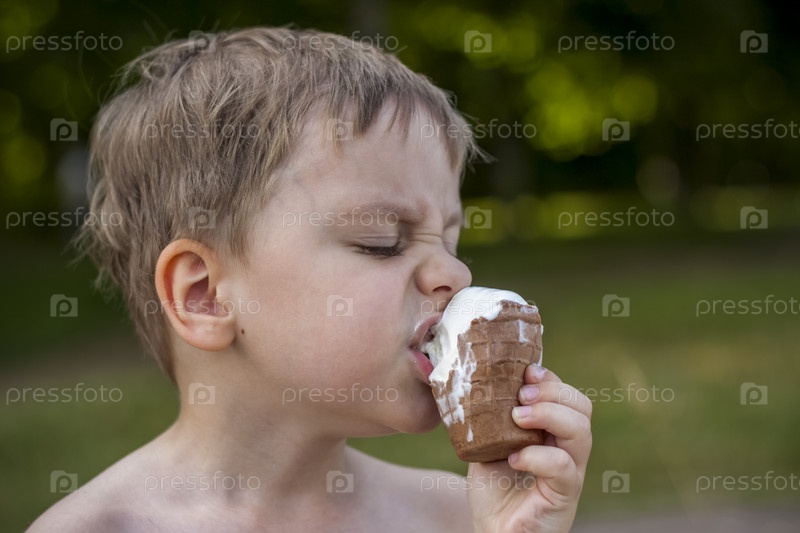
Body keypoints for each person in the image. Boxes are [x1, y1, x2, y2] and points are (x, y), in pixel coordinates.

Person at [30, 27, 592, 532]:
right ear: (204, 296)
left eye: (449, 240)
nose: (456, 273)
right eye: (381, 241)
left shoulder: (455, 516)